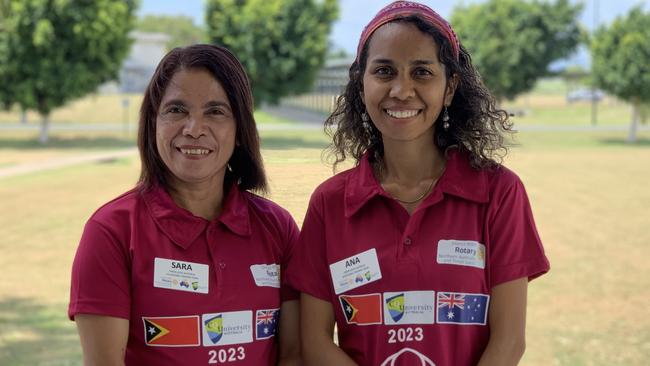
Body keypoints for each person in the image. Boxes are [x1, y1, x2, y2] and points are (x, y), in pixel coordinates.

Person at [285, 1, 550, 365]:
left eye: (422, 72)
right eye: (384, 71)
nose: (402, 90)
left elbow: (508, 343)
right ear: (361, 85)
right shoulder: (330, 203)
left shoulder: (499, 193)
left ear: (450, 87)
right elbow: (314, 342)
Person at [68, 44, 301, 365]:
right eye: (176, 110)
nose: (193, 129)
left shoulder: (278, 227)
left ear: (240, 130)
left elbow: (295, 356)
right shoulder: (111, 231)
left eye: (215, 111)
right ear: (153, 123)